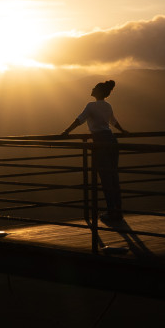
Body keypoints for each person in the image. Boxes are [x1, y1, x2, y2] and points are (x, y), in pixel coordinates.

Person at [61, 80, 126, 222]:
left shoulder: (91, 106)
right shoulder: (108, 105)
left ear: (100, 92)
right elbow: (113, 122)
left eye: (95, 87)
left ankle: (111, 212)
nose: (92, 88)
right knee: (114, 177)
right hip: (112, 141)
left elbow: (80, 120)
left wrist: (66, 131)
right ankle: (118, 211)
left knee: (105, 178)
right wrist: (123, 131)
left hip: (100, 142)